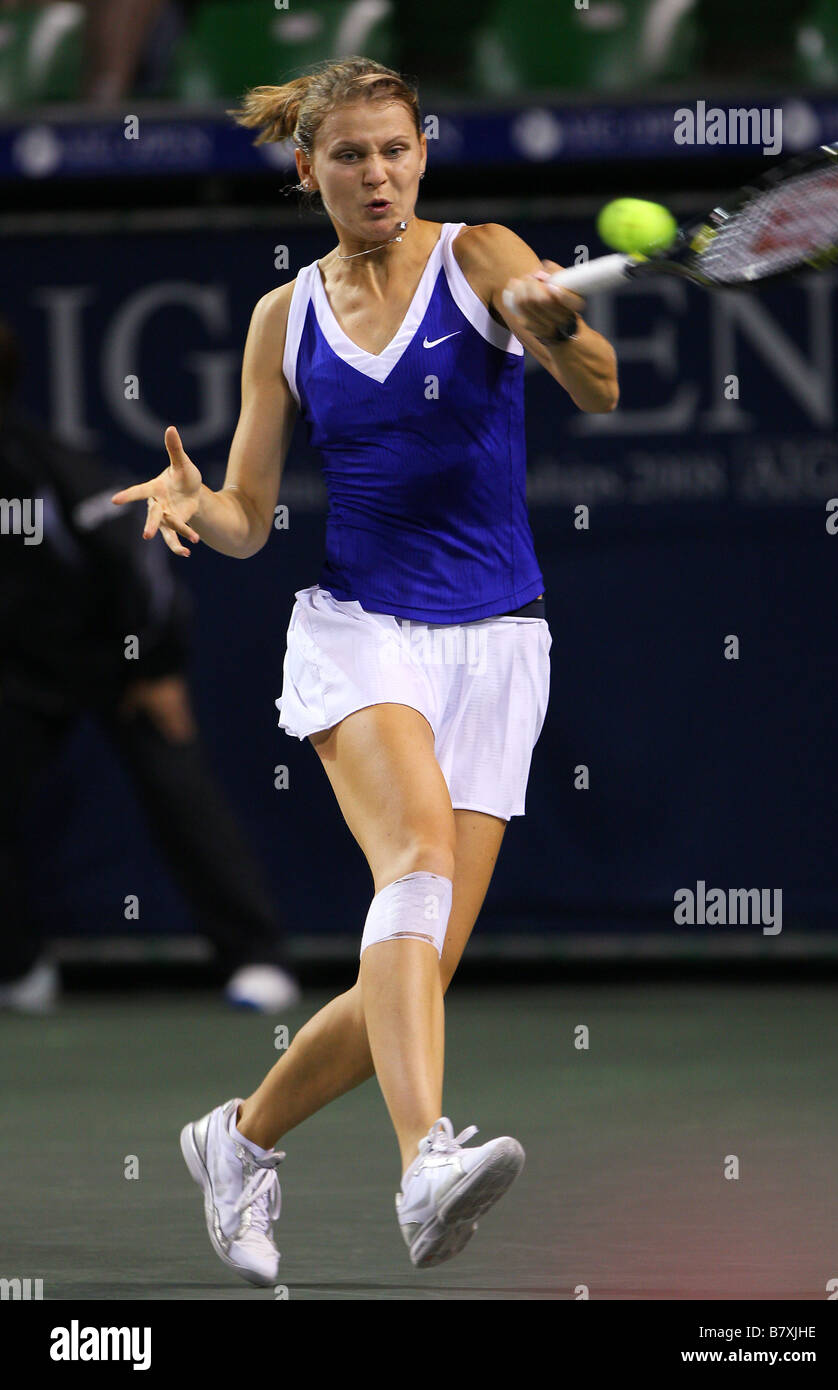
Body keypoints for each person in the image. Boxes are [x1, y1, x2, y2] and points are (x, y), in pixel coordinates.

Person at [111, 56, 618, 1282]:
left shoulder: (484, 253)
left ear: (421, 155)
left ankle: (237, 1141)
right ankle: (423, 1160)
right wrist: (199, 505)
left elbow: (599, 390)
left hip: (499, 642)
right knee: (417, 866)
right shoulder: (282, 319)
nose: (376, 173)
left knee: (417, 965)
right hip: (362, 628)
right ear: (309, 171)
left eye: (394, 149)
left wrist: (554, 327)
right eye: (349, 155)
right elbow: (246, 515)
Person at [0, 317, 300, 1015]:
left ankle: (257, 960)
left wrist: (156, 663)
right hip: (20, 675)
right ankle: (19, 968)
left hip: (119, 659)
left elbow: (136, 563)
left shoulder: (42, 469)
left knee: (180, 793)